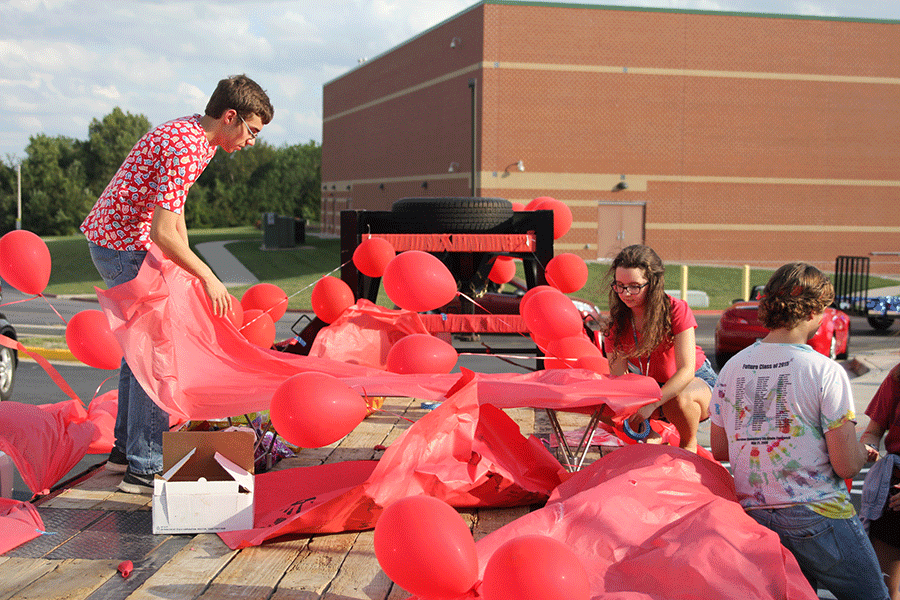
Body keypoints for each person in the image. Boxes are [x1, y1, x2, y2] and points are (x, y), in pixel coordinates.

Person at [80, 74, 274, 493]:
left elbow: (174, 211)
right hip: (121, 247)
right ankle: (144, 466)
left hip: (116, 240)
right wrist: (209, 276)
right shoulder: (189, 147)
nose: (252, 142)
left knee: (139, 349)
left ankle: (123, 451)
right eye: (252, 131)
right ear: (230, 117)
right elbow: (164, 232)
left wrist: (183, 268)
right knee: (156, 351)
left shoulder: (191, 132)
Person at [711, 262, 888, 600]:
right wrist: (862, 453)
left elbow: (721, 449)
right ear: (810, 311)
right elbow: (846, 465)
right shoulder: (823, 370)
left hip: (756, 514)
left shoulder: (732, 368)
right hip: (817, 512)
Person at [602, 244, 715, 452]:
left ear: (652, 283)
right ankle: (653, 437)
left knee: (678, 400)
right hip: (652, 387)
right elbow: (620, 380)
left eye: (634, 286)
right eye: (619, 285)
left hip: (693, 382)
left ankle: (688, 445)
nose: (626, 293)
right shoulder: (616, 324)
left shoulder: (675, 309)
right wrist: (637, 411)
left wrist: (652, 406)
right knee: (601, 404)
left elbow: (686, 370)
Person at [859, 363, 900, 599]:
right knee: (884, 590)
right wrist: (869, 446)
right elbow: (873, 431)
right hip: (892, 495)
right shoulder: (896, 375)